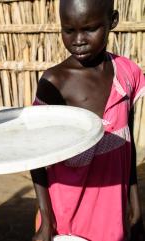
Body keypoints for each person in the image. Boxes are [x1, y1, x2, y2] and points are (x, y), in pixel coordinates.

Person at [30, 0, 145, 240]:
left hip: (111, 210)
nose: (78, 39)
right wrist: (47, 220)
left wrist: (134, 200)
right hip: (65, 211)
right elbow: (35, 155)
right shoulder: (54, 82)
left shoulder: (127, 74)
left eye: (89, 29)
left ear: (112, 21)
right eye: (69, 30)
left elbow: (128, 141)